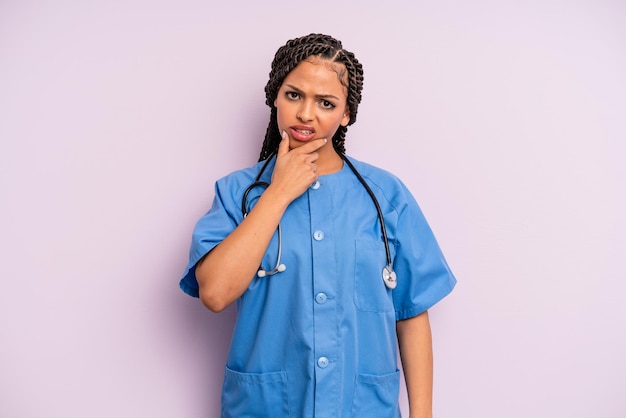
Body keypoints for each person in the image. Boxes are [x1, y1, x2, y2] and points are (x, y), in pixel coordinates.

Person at [179, 33, 456, 418]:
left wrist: (422, 414)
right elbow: (215, 294)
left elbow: (411, 312)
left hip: (362, 408)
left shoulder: (384, 196)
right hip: (267, 407)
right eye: (294, 95)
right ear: (275, 96)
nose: (306, 114)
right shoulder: (237, 192)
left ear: (345, 114)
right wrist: (277, 194)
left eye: (326, 103)